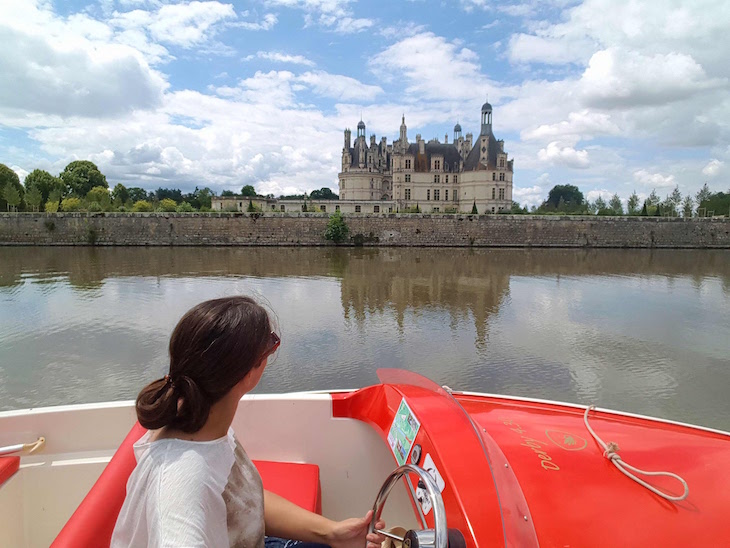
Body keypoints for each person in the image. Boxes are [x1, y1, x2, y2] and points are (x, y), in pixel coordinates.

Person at [111, 296, 385, 548]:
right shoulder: (182, 485)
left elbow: (245, 505)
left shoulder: (202, 419)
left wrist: (333, 533)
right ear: (246, 373)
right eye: (270, 343)